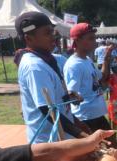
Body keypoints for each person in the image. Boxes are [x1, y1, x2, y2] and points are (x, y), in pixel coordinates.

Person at [14, 12, 87, 145]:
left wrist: (77, 121)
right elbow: (47, 110)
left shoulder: (48, 59)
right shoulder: (34, 66)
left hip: (62, 136)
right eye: (47, 33)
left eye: (53, 32)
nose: (54, 37)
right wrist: (82, 135)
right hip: (50, 140)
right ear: (29, 38)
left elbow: (54, 101)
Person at [64, 23, 117, 148]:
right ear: (77, 41)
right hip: (86, 118)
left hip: (97, 115)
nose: (95, 42)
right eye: (91, 38)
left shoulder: (87, 60)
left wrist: (106, 59)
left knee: (113, 147)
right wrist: (75, 97)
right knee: (98, 153)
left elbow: (102, 76)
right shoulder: (74, 65)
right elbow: (72, 96)